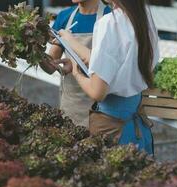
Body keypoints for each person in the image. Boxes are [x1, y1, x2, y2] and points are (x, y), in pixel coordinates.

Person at [57, 0, 159, 154]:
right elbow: (116, 62)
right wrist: (70, 41)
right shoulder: (144, 17)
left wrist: (76, 72)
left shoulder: (109, 23)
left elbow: (97, 92)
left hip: (112, 126)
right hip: (136, 119)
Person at [39, 0, 110, 127]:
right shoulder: (65, 16)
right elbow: (51, 66)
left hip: (101, 104)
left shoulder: (110, 18)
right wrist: (36, 52)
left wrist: (76, 66)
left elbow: (110, 65)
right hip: (72, 104)